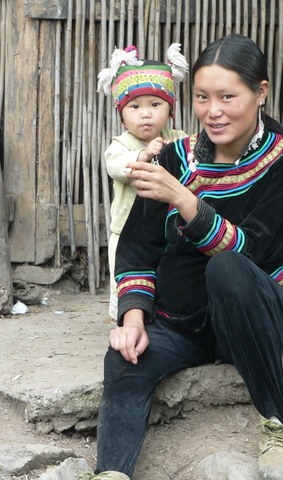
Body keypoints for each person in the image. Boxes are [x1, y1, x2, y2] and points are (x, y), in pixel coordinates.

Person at [88, 34, 283, 480]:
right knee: (123, 357)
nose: (214, 111)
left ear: (260, 93)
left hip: (255, 317)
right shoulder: (173, 156)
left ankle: (278, 424)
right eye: (201, 97)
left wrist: (184, 199)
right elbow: (138, 246)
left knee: (227, 267)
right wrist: (132, 321)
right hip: (182, 322)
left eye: (228, 97)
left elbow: (252, 251)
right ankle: (110, 473)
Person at [97, 44, 189, 320]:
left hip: (168, 227)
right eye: (135, 106)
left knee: (163, 272)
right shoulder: (121, 144)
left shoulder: (179, 137)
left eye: (155, 105)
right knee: (124, 276)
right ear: (122, 113)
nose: (145, 114)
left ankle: (160, 317)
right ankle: (125, 319)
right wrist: (144, 154)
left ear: (170, 109)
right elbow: (115, 167)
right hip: (127, 231)